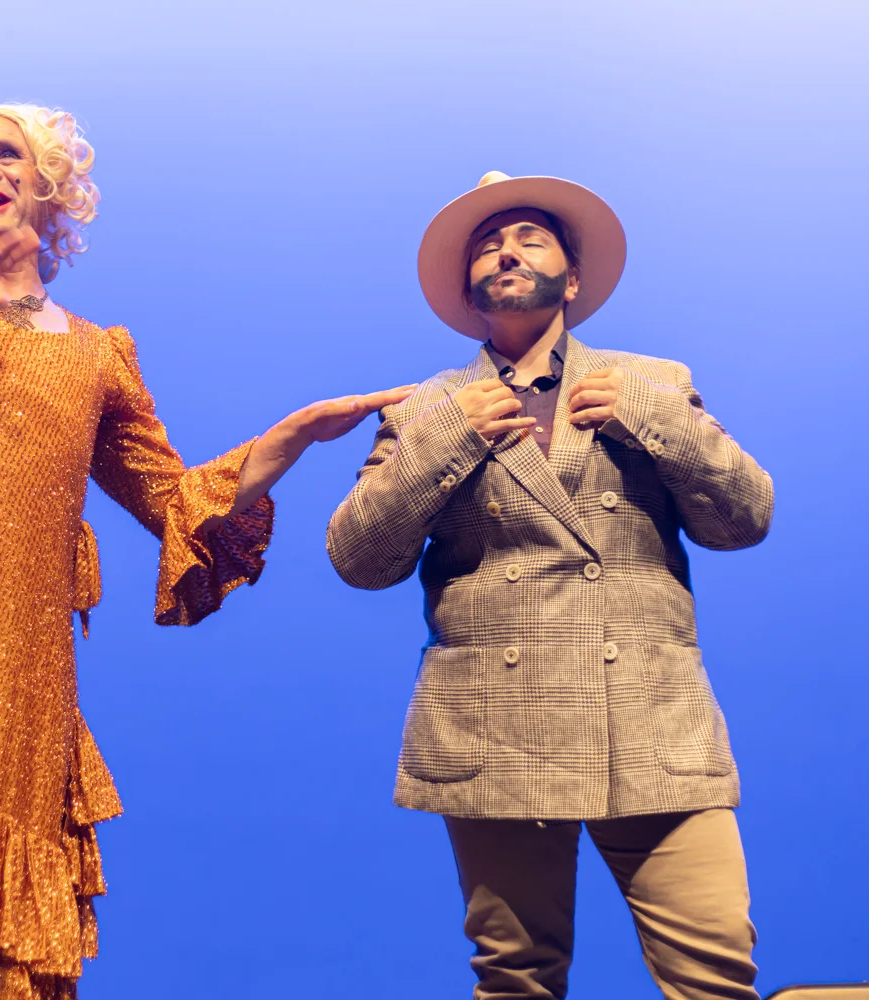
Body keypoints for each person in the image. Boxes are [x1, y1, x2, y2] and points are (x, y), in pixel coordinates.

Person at [0, 103, 411, 1000]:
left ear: (46, 187)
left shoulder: (97, 354)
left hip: (25, 687)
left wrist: (291, 438)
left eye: (5, 154)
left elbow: (175, 503)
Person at [326, 171, 773, 999]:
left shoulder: (652, 383)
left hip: (650, 717)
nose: (506, 251)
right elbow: (359, 558)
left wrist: (654, 418)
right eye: (488, 245)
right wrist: (447, 440)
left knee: (715, 972)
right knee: (516, 980)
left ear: (572, 279)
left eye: (530, 238)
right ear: (469, 289)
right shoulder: (426, 409)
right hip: (496, 727)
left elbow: (745, 518)